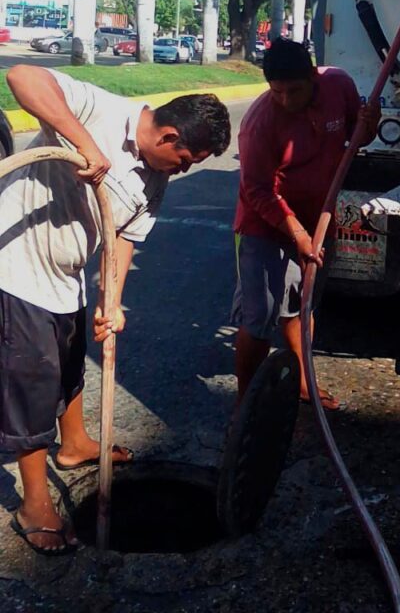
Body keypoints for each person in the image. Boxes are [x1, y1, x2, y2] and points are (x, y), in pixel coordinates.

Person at [0, 66, 231, 555]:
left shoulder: (155, 178)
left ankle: (75, 444)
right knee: (31, 381)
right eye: (185, 159)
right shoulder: (99, 109)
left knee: (70, 364)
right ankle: (34, 504)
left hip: (66, 276)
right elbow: (21, 77)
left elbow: (124, 236)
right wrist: (85, 144)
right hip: (15, 266)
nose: (184, 169)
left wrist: (112, 299)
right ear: (169, 136)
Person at [233, 38, 380, 411]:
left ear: (313, 77)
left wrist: (371, 125)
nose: (285, 100)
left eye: (294, 90)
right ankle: (245, 403)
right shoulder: (259, 124)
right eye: (276, 91)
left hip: (319, 221)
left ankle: (302, 383)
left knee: (303, 306)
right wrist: (297, 233)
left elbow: (357, 138)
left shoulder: (339, 85)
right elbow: (256, 191)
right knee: (259, 318)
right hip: (265, 226)